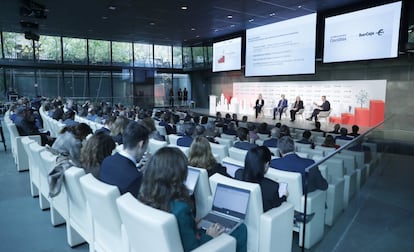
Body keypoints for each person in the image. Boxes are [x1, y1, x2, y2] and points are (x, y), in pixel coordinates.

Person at [138, 147, 247, 252]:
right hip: (197, 246)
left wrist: (190, 223)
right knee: (240, 229)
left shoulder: (145, 197)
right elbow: (193, 248)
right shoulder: (180, 209)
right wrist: (210, 236)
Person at [99, 121, 150, 197]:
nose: (145, 151)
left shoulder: (107, 161)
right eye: (146, 147)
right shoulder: (135, 178)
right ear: (141, 144)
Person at [235, 146, 287, 212]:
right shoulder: (272, 187)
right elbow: (277, 204)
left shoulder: (238, 173)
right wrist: (284, 197)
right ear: (266, 165)